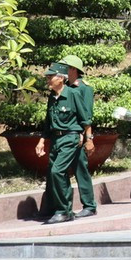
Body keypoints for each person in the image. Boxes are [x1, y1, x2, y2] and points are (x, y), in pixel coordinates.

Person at [35, 62, 91, 224]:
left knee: (57, 171)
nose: (48, 79)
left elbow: (85, 119)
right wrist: (41, 141)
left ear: (61, 78)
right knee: (55, 173)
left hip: (70, 137)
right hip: (55, 139)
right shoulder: (52, 97)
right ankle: (65, 210)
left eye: (50, 77)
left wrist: (88, 139)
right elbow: (48, 123)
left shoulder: (73, 94)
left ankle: (63, 210)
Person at [60, 55, 96, 219]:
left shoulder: (84, 88)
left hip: (79, 135)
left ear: (74, 69)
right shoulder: (64, 87)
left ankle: (89, 205)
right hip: (66, 134)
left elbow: (86, 114)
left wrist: (86, 137)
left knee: (81, 169)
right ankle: (62, 206)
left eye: (66, 67)